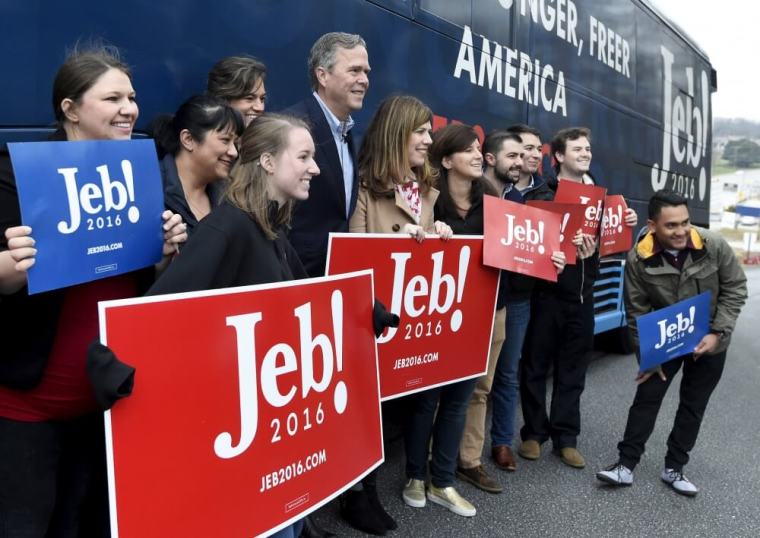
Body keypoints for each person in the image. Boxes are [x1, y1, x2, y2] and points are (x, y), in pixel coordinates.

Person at [0, 46, 186, 538]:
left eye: (133, 97)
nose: (130, 108)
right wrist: (10, 267)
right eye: (113, 98)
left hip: (104, 400)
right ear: (70, 108)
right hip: (28, 406)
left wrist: (164, 252)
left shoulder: (139, 173)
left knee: (84, 522)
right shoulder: (15, 173)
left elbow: (143, 282)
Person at [147, 113, 319, 537]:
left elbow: (311, 292)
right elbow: (158, 309)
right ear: (266, 162)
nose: (315, 168)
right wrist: (112, 358)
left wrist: (363, 311)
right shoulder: (227, 227)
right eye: (304, 156)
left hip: (269, 425)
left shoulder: (270, 227)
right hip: (239, 436)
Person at [345, 94, 452, 534]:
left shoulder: (425, 188)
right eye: (421, 131)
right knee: (362, 407)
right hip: (370, 314)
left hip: (409, 316)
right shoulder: (365, 184)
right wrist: (394, 241)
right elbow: (350, 251)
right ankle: (357, 495)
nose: (430, 139)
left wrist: (435, 232)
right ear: (397, 132)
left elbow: (420, 248)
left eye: (430, 131)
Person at [596, 190, 747, 496]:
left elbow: (735, 288)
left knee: (693, 406)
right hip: (667, 339)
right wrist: (647, 358)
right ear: (652, 225)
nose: (681, 231)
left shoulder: (713, 245)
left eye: (685, 223)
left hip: (710, 340)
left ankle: (674, 468)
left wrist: (717, 333)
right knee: (647, 397)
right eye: (671, 226)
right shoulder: (639, 258)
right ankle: (625, 466)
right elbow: (636, 313)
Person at [518, 127, 636, 469]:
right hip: (546, 295)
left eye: (587, 149)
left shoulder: (602, 197)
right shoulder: (541, 193)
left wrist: (627, 220)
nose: (585, 153)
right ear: (558, 156)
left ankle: (566, 438)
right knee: (535, 366)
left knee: (574, 370)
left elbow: (613, 239)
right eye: (577, 149)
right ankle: (533, 433)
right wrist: (558, 249)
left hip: (584, 296)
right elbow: (529, 244)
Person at [455, 130, 564, 493]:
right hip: (468, 300)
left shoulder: (523, 199)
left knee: (502, 378)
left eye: (524, 156)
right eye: (513, 156)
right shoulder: (469, 194)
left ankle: (499, 443)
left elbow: (535, 247)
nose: (520, 163)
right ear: (491, 159)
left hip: (512, 300)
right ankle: (447, 456)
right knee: (461, 382)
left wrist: (553, 257)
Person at [285, 32, 370, 277]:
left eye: (366, 72)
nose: (364, 80)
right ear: (322, 75)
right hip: (296, 279)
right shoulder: (292, 125)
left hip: (335, 279)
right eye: (354, 71)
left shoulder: (347, 131)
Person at [151, 94, 244, 234]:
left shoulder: (231, 196)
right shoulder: (147, 189)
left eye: (235, 143)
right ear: (188, 139)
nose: (234, 152)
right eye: (225, 140)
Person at [207, 55, 267, 126]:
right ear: (222, 99)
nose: (260, 108)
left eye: (262, 99)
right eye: (249, 98)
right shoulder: (200, 135)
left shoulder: (270, 135)